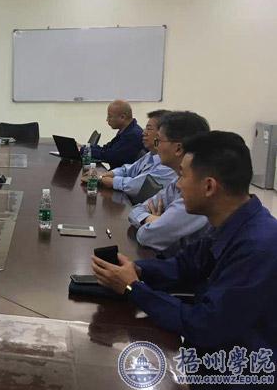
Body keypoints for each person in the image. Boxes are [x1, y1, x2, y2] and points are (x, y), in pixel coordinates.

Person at [92, 131, 277, 355]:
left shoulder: (258, 248)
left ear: (209, 187)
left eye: (182, 176)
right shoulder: (229, 221)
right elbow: (183, 265)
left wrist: (133, 288)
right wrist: (137, 269)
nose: (178, 186)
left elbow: (206, 325)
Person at [128, 111, 211, 253]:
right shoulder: (178, 180)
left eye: (158, 141)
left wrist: (156, 222)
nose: (157, 147)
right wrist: (153, 220)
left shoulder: (199, 191)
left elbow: (147, 236)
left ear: (178, 148)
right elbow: (136, 210)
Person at [90, 110, 177, 197]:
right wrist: (106, 175)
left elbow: (137, 186)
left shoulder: (168, 165)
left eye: (149, 129)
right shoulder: (151, 155)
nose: (143, 133)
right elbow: (127, 170)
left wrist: (102, 179)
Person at [83, 100, 144, 169]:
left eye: (110, 116)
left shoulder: (132, 135)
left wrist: (84, 150)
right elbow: (107, 149)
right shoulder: (126, 130)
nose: (107, 119)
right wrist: (84, 148)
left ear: (122, 117)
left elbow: (109, 156)